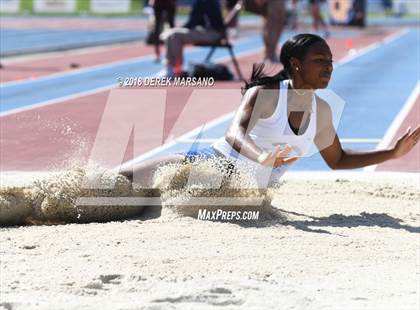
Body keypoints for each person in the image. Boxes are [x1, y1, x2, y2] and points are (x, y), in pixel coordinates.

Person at [121, 33, 420, 188]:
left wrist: (391, 154)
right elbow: (235, 132)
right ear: (296, 64)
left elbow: (338, 159)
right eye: (319, 60)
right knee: (112, 186)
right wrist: (263, 157)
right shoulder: (265, 94)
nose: (328, 66)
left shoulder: (322, 111)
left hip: (244, 194)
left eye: (330, 61)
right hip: (204, 166)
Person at [158, 0, 226, 77]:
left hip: (213, 33)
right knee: (172, 35)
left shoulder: (204, 1)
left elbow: (193, 22)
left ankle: (174, 69)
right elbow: (197, 21)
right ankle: (170, 68)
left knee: (174, 35)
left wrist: (178, 29)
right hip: (208, 31)